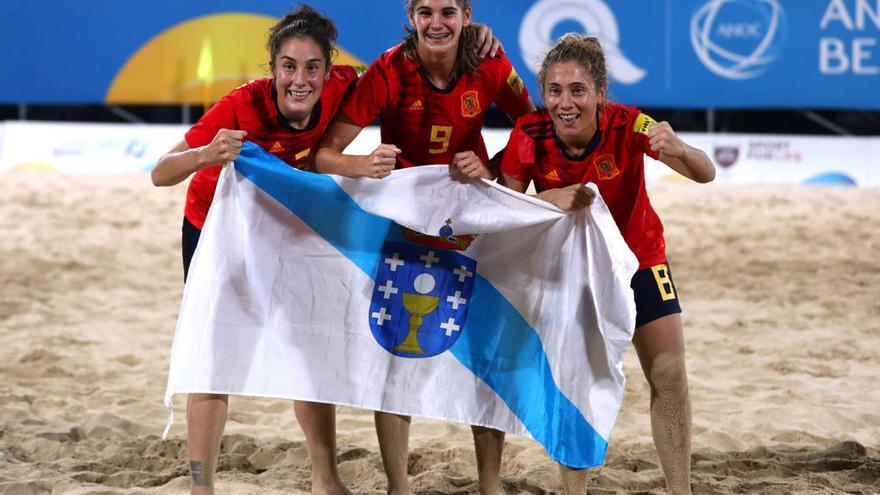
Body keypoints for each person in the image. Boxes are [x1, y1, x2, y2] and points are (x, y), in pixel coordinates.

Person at [314, 1, 535, 493]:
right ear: (411, 15)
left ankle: (490, 483)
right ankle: (398, 485)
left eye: (448, 12)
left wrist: (495, 167)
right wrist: (362, 165)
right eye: (426, 11)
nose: (437, 23)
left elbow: (535, 128)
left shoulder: (492, 63)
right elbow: (323, 155)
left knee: (485, 351)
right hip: (405, 226)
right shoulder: (389, 71)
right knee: (395, 350)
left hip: (470, 225)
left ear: (466, 15)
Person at [150, 6, 357, 494]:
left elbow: (404, 69)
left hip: (289, 228)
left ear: (330, 73)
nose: (300, 79)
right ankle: (202, 487)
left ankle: (326, 479)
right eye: (289, 66)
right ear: (273, 70)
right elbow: (160, 171)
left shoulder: (349, 86)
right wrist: (206, 154)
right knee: (213, 355)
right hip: (217, 232)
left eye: (312, 67)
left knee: (309, 348)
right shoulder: (240, 105)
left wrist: (476, 41)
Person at [498, 34, 715, 494]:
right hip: (569, 272)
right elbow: (504, 210)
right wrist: (549, 198)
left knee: (669, 374)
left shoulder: (629, 124)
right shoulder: (528, 135)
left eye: (578, 90)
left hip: (639, 260)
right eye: (554, 90)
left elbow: (706, 172)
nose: (565, 102)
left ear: (600, 93)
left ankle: (681, 490)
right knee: (574, 386)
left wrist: (678, 149)